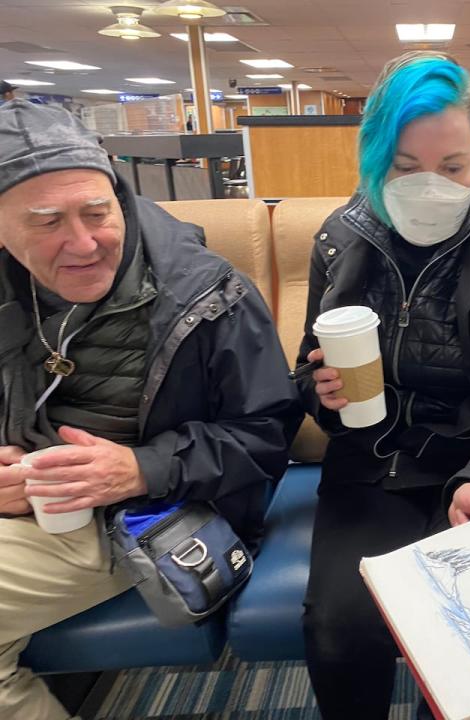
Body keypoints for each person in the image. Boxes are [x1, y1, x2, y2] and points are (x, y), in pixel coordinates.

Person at [0, 99, 300, 719]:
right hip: (29, 509)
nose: (83, 243)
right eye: (47, 221)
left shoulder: (209, 296)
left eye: (96, 213)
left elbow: (267, 433)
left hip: (142, 518)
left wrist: (140, 470)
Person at [295, 51, 470, 719]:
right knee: (340, 627)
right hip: (376, 462)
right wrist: (320, 391)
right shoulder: (340, 239)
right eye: (406, 168)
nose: (431, 186)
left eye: (452, 167)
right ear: (375, 162)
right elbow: (309, 366)